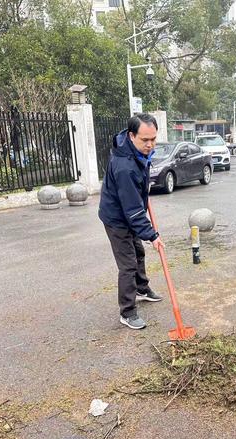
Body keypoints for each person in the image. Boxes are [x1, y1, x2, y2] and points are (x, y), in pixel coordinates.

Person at [99, 113, 165, 330]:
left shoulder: (135, 153)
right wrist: (152, 235)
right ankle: (127, 311)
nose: (150, 145)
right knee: (127, 264)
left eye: (153, 139)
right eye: (145, 140)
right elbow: (133, 210)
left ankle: (141, 289)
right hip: (117, 219)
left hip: (128, 212)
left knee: (138, 253)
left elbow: (136, 200)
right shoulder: (125, 166)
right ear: (131, 136)